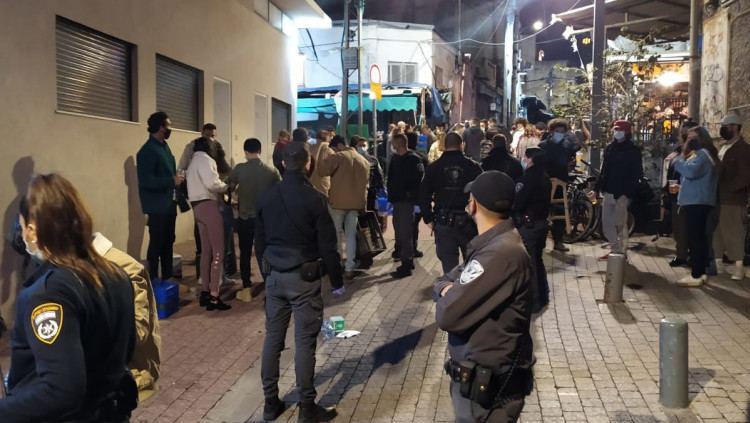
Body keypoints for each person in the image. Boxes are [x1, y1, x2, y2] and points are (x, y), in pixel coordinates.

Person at [0, 174, 137, 422]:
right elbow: (125, 351)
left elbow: (60, 390)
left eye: (23, 227)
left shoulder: (48, 293)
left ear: (33, 231)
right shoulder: (116, 274)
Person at [434, 171, 534, 423]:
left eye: (470, 198)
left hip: (489, 394)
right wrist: (448, 289)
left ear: (474, 204)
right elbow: (445, 279)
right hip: (482, 384)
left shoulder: (498, 253)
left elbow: (447, 314)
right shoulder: (494, 245)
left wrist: (450, 292)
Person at [255, 142, 344, 423]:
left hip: (274, 276)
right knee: (305, 342)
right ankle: (307, 406)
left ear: (283, 164)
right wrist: (337, 281)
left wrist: (266, 273)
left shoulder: (267, 196)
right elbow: (328, 246)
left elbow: (259, 241)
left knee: (273, 338)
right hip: (304, 278)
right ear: (308, 165)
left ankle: (270, 402)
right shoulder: (315, 198)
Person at [420, 132, 483, 274]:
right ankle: (470, 287)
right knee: (473, 266)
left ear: (444, 146)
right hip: (469, 222)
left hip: (444, 222)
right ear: (462, 145)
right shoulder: (473, 166)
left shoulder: (434, 168)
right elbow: (483, 192)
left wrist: (427, 218)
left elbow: (423, 194)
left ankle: (452, 287)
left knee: (449, 268)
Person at [177, 123, 232, 274]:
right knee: (209, 239)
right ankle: (214, 278)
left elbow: (223, 169)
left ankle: (209, 275)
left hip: (211, 196)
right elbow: (182, 168)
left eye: (212, 136)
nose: (210, 139)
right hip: (204, 197)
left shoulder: (217, 147)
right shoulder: (193, 148)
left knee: (213, 236)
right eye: (207, 135)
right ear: (202, 133)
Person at [137, 111, 183, 281]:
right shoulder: (147, 151)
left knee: (168, 242)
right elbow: (146, 180)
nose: (170, 128)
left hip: (169, 205)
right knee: (156, 243)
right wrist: (171, 180)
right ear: (160, 127)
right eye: (168, 125)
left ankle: (167, 278)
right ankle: (154, 280)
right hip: (157, 207)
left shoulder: (164, 146)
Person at [187, 137, 232, 310]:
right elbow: (212, 184)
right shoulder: (206, 160)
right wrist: (226, 187)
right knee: (219, 252)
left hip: (197, 207)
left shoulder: (192, 162)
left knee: (206, 251)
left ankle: (205, 292)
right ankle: (214, 295)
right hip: (209, 205)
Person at [317, 135, 371, 279]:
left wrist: (322, 153)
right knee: (351, 235)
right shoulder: (364, 161)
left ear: (340, 145)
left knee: (337, 235)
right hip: (356, 204)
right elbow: (366, 186)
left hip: (338, 203)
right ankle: (349, 267)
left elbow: (321, 171)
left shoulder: (338, 157)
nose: (334, 152)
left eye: (334, 149)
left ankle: (338, 265)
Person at [231, 138, 281, 288]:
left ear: (245, 151)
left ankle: (246, 283)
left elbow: (229, 186)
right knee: (265, 251)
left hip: (245, 218)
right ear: (260, 150)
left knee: (245, 253)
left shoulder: (239, 168)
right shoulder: (272, 171)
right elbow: (279, 191)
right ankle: (268, 280)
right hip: (265, 219)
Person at [673, 126, 719, 287]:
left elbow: (691, 172)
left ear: (703, 139)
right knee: (699, 237)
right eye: (689, 137)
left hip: (697, 202)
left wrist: (678, 161)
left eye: (695, 138)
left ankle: (697, 273)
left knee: (695, 238)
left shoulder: (703, 155)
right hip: (696, 200)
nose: (691, 140)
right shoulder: (701, 154)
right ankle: (701, 271)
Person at [591, 120, 643, 260]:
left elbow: (636, 174)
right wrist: (596, 189)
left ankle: (620, 252)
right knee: (607, 224)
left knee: (620, 224)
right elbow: (604, 171)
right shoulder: (610, 148)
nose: (617, 132)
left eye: (620, 130)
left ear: (627, 132)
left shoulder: (633, 150)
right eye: (615, 130)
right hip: (608, 190)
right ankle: (615, 249)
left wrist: (627, 193)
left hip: (622, 193)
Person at [513, 148, 552, 314]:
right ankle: (543, 296)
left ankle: (534, 302)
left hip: (529, 225)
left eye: (525, 157)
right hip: (541, 224)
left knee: (530, 264)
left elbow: (518, 202)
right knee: (537, 260)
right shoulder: (545, 178)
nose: (523, 159)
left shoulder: (527, 179)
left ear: (531, 160)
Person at [713, 114, 750, 280]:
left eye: (726, 127)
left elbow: (745, 177)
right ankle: (718, 261)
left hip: (733, 199)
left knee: (734, 232)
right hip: (719, 197)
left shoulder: (743, 149)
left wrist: (729, 189)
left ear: (735, 127)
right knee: (718, 232)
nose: (723, 130)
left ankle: (739, 267)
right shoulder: (723, 147)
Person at [387, 133, 425, 278]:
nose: (392, 145)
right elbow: (391, 178)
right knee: (399, 231)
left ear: (399, 143)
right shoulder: (396, 158)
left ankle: (407, 263)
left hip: (406, 202)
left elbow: (419, 180)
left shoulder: (413, 159)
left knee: (405, 233)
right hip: (397, 201)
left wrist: (409, 195)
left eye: (393, 142)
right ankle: (405, 258)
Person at [539, 118, 579, 252]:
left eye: (562, 131)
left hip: (561, 181)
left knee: (560, 210)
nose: (560, 134)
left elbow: (572, 159)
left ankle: (558, 240)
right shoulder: (543, 145)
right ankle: (540, 241)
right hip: (544, 181)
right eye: (557, 131)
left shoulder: (567, 146)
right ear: (551, 131)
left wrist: (570, 163)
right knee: (542, 210)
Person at [663, 120, 699, 267]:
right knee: (679, 228)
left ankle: (688, 255)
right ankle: (682, 254)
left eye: (687, 132)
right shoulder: (678, 152)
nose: (683, 134)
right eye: (682, 131)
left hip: (688, 197)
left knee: (688, 228)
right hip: (675, 196)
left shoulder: (695, 153)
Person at [309, 130, 333, 197]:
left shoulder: (310, 147)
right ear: (327, 138)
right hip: (324, 180)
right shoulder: (328, 148)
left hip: (310, 179)